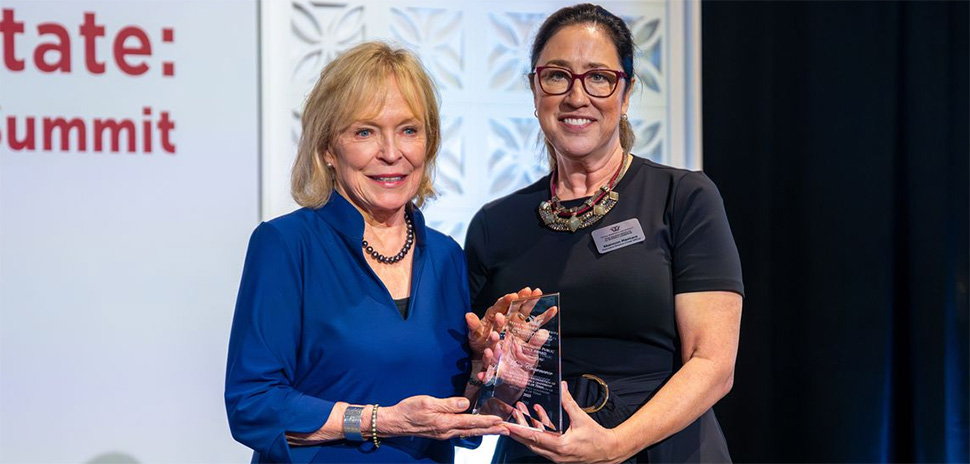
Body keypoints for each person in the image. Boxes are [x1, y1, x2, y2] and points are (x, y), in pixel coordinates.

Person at [464, 4, 744, 463]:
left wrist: (615, 446)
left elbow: (713, 364)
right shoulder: (494, 225)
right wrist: (488, 365)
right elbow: (481, 398)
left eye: (598, 77)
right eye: (557, 76)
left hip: (663, 450)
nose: (577, 96)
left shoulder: (682, 198)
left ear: (626, 93)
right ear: (534, 90)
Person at [224, 41, 507, 463]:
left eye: (408, 130)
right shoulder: (286, 245)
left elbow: (450, 418)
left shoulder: (446, 256)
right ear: (327, 149)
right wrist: (381, 421)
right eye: (365, 132)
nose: (391, 153)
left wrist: (486, 378)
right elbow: (252, 404)